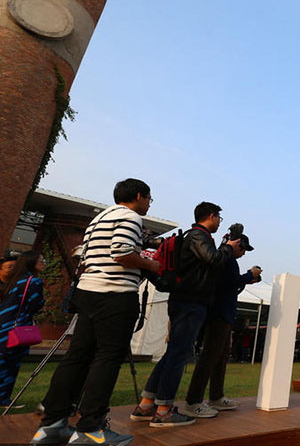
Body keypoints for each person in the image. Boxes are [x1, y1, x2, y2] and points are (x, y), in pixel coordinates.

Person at [32, 178, 160, 446]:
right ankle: (91, 427)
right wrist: (151, 265)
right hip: (114, 295)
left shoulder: (100, 218)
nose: (149, 204)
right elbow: (122, 252)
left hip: (88, 292)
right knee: (107, 358)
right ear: (139, 196)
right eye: (149, 199)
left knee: (77, 357)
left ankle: (52, 425)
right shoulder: (130, 217)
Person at [132, 202, 239, 427]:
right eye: (219, 217)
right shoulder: (198, 236)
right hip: (191, 301)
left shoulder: (194, 236)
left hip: (185, 299)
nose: (220, 221)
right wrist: (228, 248)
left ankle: (146, 404)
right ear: (211, 216)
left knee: (172, 353)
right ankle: (164, 410)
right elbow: (213, 258)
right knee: (179, 355)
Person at [183, 226, 261, 417]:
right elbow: (232, 282)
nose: (243, 253)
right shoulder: (227, 259)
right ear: (236, 244)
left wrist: (247, 279)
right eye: (242, 248)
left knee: (221, 355)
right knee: (210, 356)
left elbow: (229, 283)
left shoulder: (225, 259)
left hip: (222, 313)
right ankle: (194, 400)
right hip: (219, 313)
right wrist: (250, 274)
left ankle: (216, 396)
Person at [1, 251, 45, 407]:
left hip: (3, 324)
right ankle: (3, 399)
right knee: (10, 365)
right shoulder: (33, 282)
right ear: (31, 262)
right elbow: (36, 305)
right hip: (15, 329)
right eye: (41, 260)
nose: (44, 262)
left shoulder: (12, 280)